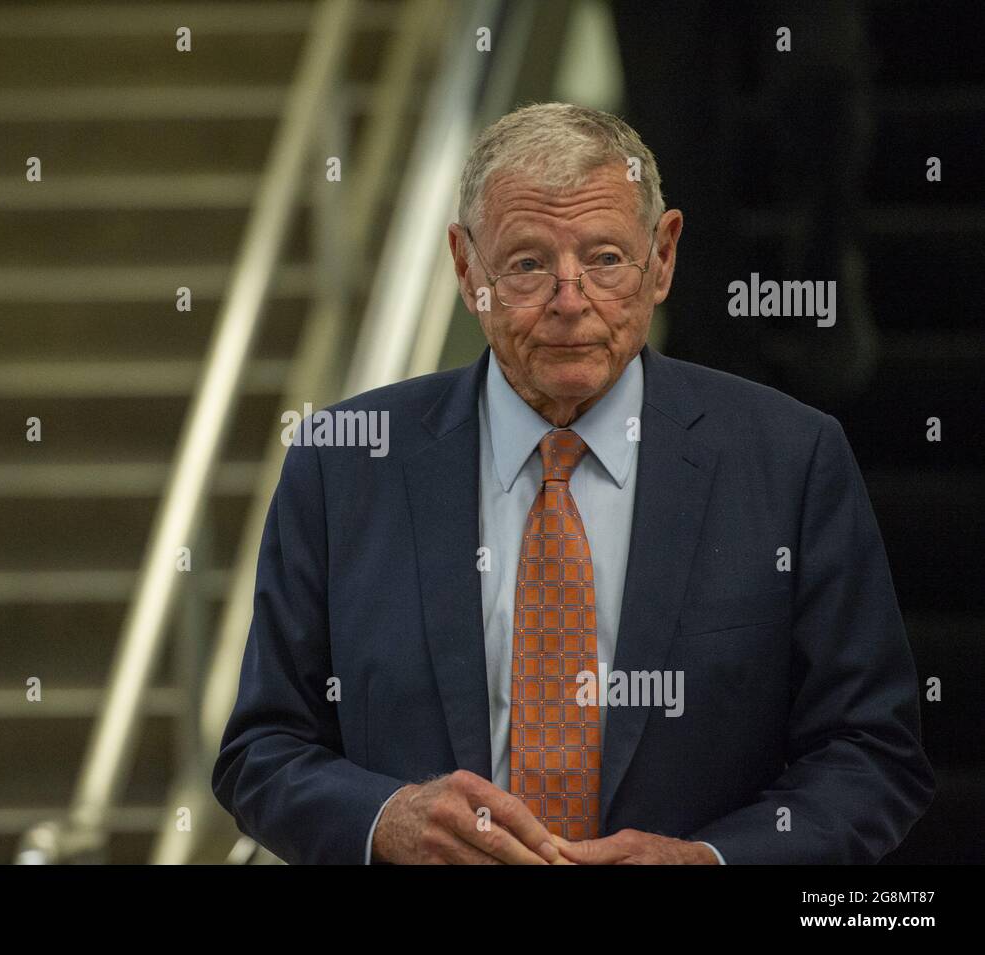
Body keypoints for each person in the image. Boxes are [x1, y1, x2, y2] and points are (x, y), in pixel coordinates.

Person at [211, 102, 933, 864]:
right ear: (466, 269)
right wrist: (386, 817)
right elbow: (261, 748)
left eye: (605, 259)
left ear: (663, 259)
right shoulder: (343, 461)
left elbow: (873, 752)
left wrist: (714, 861)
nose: (569, 299)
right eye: (526, 263)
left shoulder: (791, 459)